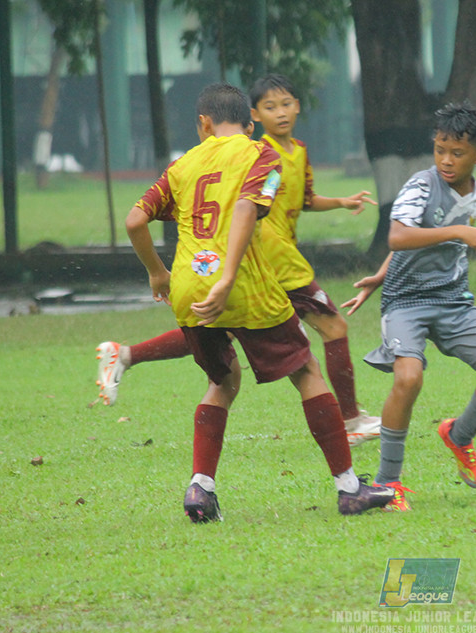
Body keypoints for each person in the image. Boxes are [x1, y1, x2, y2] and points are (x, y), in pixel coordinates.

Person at [124, 82, 393, 522]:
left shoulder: (181, 166)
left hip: (190, 289)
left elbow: (136, 219)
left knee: (223, 381)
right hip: (243, 285)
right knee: (306, 371)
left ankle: (200, 490)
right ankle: (349, 488)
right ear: (249, 124)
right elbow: (248, 210)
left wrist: (157, 272)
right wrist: (229, 277)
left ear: (203, 123)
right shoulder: (261, 155)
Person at [342, 101, 476, 512]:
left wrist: (380, 273)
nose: (445, 160)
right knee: (408, 378)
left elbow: (426, 237)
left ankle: (459, 435)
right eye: (440, 149)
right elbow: (400, 237)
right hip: (406, 302)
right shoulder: (421, 185)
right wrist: (458, 232)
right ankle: (389, 484)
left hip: (453, 300)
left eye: (456, 153)